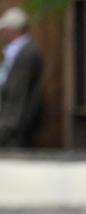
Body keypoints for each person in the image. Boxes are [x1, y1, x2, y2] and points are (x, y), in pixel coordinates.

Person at [0, 6, 43, 148]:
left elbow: (18, 93)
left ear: (13, 30)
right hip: (15, 125)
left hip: (15, 128)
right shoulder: (19, 50)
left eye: (5, 30)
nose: (3, 33)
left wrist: (7, 128)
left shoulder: (26, 53)